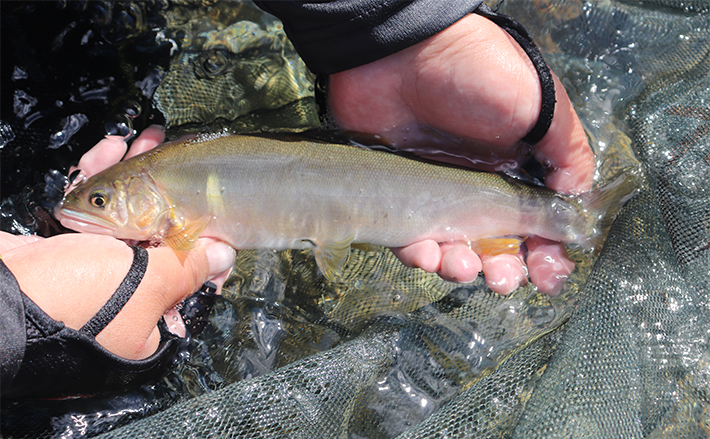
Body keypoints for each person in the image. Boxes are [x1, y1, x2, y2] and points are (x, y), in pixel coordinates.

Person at [0, 1, 593, 398]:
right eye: (100, 204)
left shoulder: (174, 215)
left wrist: (395, 25)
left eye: (100, 203)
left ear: (147, 196)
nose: (81, 211)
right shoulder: (166, 173)